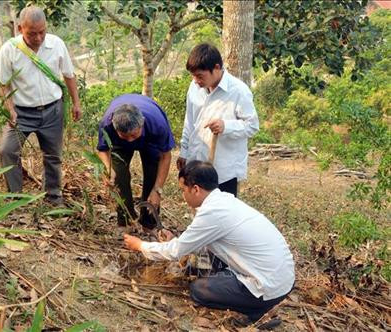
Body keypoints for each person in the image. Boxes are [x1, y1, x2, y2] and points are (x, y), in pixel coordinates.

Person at [124, 160, 295, 322]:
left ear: (196, 189)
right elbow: (201, 241)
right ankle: (244, 294)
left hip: (267, 287)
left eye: (183, 190)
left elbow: (175, 252)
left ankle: (257, 311)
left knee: (199, 290)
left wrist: (139, 245)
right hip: (282, 279)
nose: (183, 195)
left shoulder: (212, 213)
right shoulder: (225, 201)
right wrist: (177, 240)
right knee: (210, 262)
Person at [0, 6, 81, 206]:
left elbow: (69, 75)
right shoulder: (9, 50)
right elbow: (3, 84)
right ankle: (15, 197)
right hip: (22, 113)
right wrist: (10, 110)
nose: (38, 38)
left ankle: (53, 197)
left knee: (53, 156)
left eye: (42, 32)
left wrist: (76, 102)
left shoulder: (56, 44)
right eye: (32, 33)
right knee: (7, 150)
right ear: (19, 29)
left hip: (53, 110)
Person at [177, 43, 259, 197]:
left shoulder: (239, 91)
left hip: (224, 170)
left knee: (223, 213)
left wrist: (226, 126)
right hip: (198, 162)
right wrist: (184, 151)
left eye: (200, 76)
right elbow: (189, 121)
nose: (196, 81)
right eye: (193, 76)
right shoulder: (194, 88)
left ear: (216, 68)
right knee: (199, 210)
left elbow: (252, 126)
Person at [97, 94, 175, 231]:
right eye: (125, 136)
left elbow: (165, 156)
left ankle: (149, 223)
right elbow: (102, 150)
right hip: (119, 145)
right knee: (118, 178)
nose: (130, 140)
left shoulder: (157, 125)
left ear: (142, 122)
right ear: (115, 128)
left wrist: (158, 190)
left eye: (134, 135)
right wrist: (109, 170)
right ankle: (125, 221)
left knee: (152, 176)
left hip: (150, 141)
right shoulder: (107, 124)